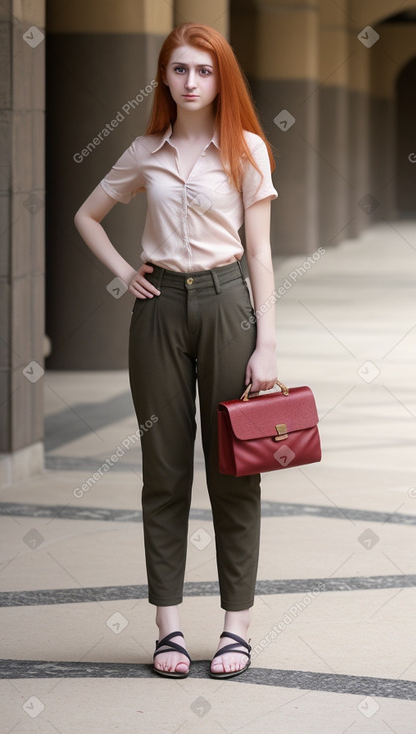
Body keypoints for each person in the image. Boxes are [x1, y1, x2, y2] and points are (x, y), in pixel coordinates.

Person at [74, 21, 278, 680]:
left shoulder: (246, 150)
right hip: (157, 311)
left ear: (222, 78)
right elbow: (86, 214)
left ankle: (234, 629)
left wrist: (265, 341)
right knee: (163, 473)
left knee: (233, 469)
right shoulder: (144, 151)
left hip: (227, 306)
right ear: (164, 76)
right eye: (180, 69)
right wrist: (121, 272)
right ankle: (167, 628)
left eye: (204, 70)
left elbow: (261, 252)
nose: (191, 81)